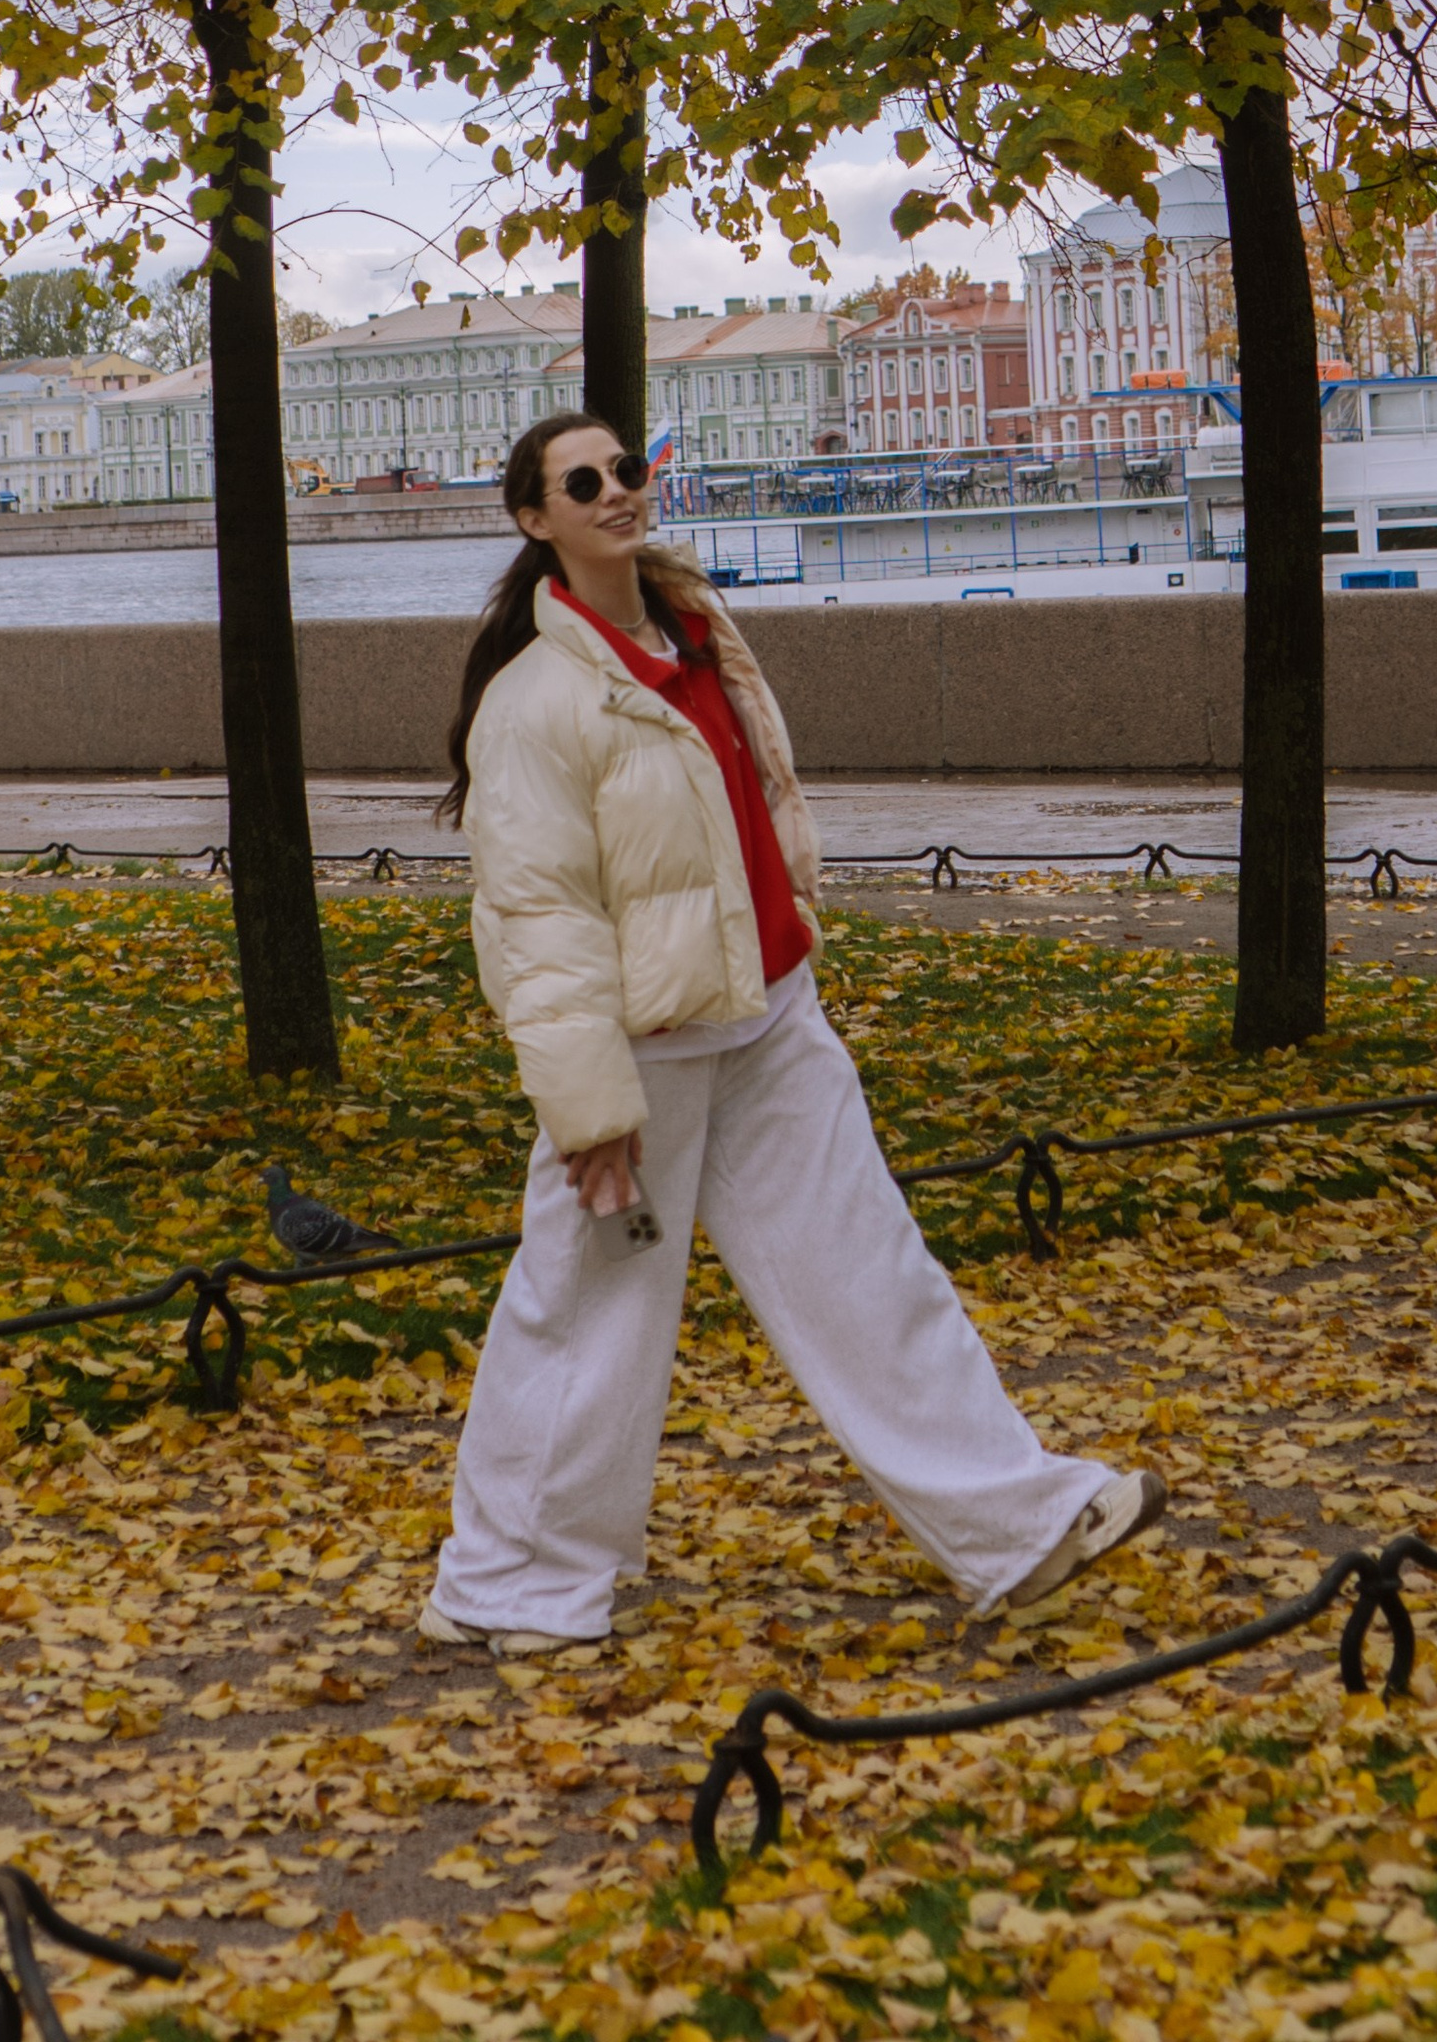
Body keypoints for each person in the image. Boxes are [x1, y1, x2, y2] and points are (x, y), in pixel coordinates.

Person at [420, 411, 1165, 1653]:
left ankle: (1018, 1529)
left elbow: (761, 799)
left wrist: (794, 915)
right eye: (583, 481)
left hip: (769, 1012)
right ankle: (504, 1590)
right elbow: (534, 922)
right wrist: (588, 1109)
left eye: (628, 469)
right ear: (533, 519)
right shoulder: (532, 702)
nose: (617, 492)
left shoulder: (701, 632)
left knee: (870, 1273)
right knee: (587, 1317)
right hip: (645, 1046)